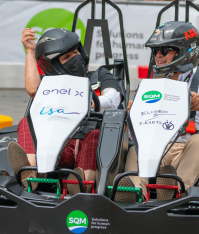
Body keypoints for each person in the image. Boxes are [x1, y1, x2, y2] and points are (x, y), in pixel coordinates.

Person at [118, 21, 199, 202]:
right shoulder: (150, 84)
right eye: (156, 51)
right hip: (157, 149)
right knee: (137, 147)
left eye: (164, 50)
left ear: (184, 52)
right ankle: (134, 192)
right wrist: (132, 112)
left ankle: (177, 191)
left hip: (188, 148)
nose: (158, 56)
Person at [7, 28, 123, 195]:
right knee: (27, 122)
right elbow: (33, 89)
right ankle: (30, 173)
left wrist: (86, 103)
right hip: (58, 145)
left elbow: (113, 99)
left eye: (75, 52)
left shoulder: (99, 75)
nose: (75, 58)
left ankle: (80, 185)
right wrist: (31, 51)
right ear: (54, 65)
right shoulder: (52, 84)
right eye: (67, 57)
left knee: (95, 135)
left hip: (89, 140)